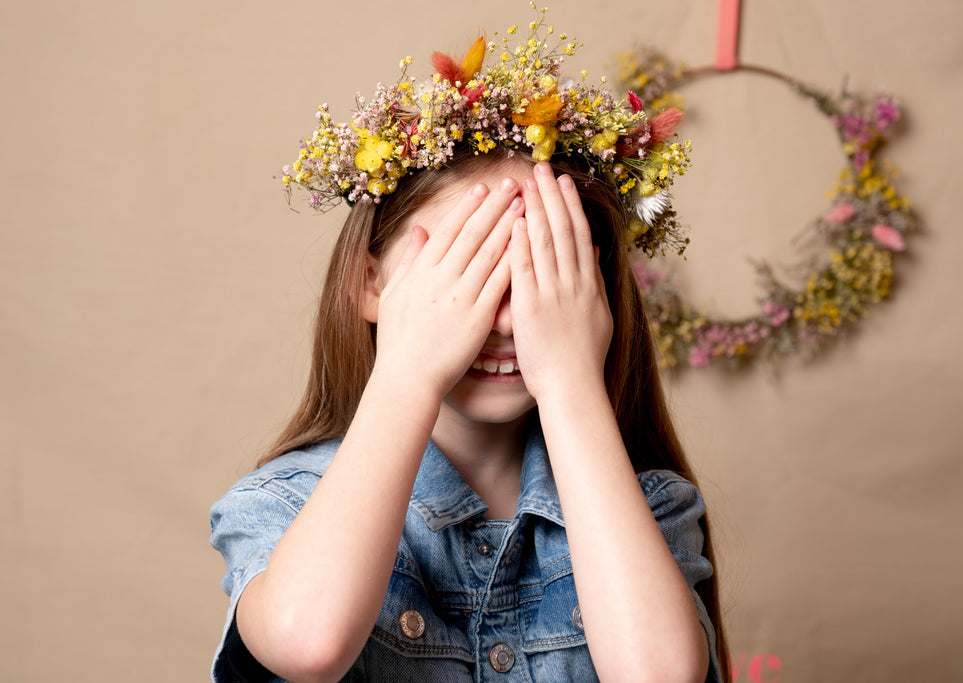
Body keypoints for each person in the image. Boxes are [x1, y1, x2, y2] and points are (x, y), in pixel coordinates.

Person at [210, 16, 728, 683]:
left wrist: (571, 378)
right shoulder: (285, 502)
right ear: (369, 282)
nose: (507, 320)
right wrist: (409, 369)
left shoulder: (652, 508)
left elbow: (659, 674)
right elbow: (307, 643)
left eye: (541, 275)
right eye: (467, 272)